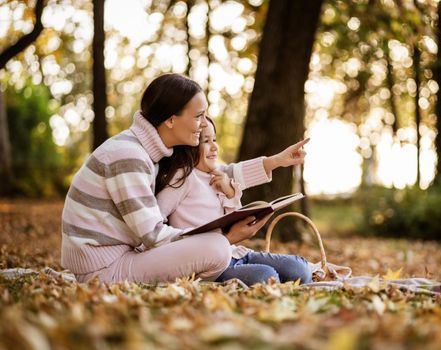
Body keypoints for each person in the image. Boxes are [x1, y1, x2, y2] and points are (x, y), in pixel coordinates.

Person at [61, 73, 306, 284]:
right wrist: (228, 237)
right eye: (198, 116)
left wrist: (275, 161)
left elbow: (216, 173)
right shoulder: (128, 155)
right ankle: (222, 275)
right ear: (171, 119)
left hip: (118, 256)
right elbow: (153, 235)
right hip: (103, 268)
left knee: (222, 247)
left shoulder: (147, 151)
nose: (202, 126)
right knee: (218, 248)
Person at [156, 117, 312, 286]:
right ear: (188, 145)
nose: (215, 146)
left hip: (236, 253)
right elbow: (156, 223)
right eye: (206, 141)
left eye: (214, 139)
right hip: (211, 265)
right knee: (267, 276)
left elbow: (233, 212)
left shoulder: (218, 174)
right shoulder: (180, 180)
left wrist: (230, 192)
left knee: (299, 269)